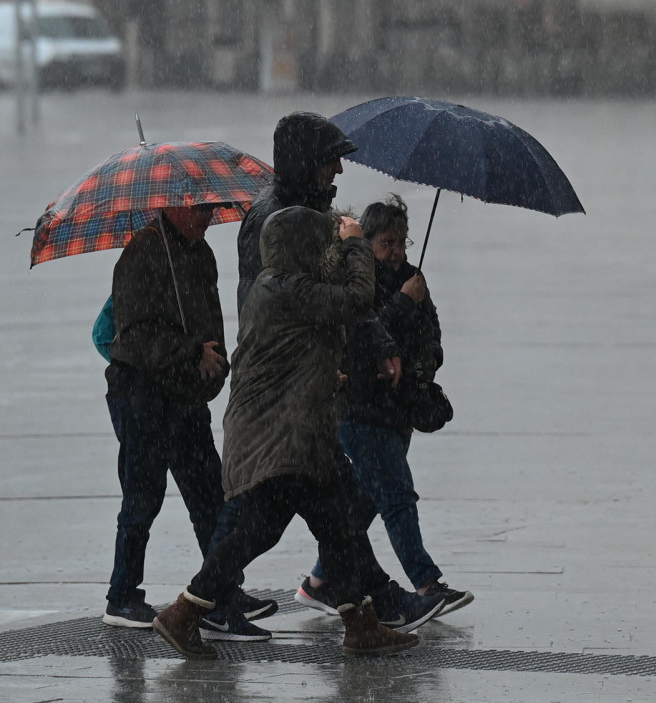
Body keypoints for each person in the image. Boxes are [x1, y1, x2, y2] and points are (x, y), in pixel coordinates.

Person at [151, 205, 427, 659]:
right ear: (301, 247)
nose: (328, 251)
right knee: (275, 528)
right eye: (321, 244)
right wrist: (356, 241)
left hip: (290, 430)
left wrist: (325, 377)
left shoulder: (281, 285)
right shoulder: (287, 287)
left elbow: (294, 354)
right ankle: (184, 612)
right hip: (281, 436)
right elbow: (359, 297)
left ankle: (358, 624)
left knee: (322, 525)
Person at [237, 111, 445, 631]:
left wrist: (379, 343)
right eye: (331, 161)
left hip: (308, 386)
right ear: (308, 162)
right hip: (289, 392)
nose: (339, 172)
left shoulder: (304, 212)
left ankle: (359, 604)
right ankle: (372, 603)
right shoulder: (279, 221)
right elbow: (330, 301)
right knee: (276, 513)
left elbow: (347, 305)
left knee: (321, 509)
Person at [102, 204, 275, 636]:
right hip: (143, 394)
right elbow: (135, 333)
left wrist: (213, 362)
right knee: (142, 496)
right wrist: (189, 351)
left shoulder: (200, 252)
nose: (207, 217)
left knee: (209, 496)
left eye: (211, 209)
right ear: (173, 206)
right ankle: (122, 596)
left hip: (185, 396)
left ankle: (217, 594)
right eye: (199, 209)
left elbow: (208, 321)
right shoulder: (143, 251)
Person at [301, 194, 473, 615]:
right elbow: (363, 333)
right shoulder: (357, 280)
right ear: (369, 242)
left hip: (400, 411)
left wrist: (424, 363)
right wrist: (403, 303)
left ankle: (319, 580)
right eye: (387, 243)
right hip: (360, 410)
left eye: (402, 242)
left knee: (366, 500)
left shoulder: (414, 279)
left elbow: (432, 337)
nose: (396, 252)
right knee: (396, 496)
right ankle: (426, 582)